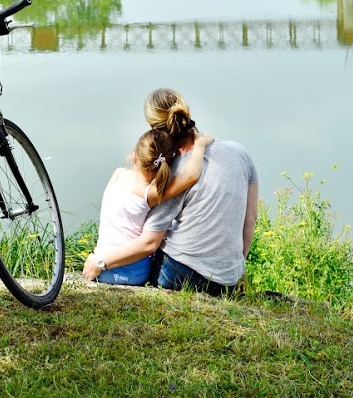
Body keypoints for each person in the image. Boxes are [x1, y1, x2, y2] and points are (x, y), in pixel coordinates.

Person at [83, 88, 258, 295]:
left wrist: (101, 262)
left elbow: (150, 242)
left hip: (180, 275)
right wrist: (235, 271)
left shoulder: (172, 173)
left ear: (155, 128)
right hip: (227, 280)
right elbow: (251, 216)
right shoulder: (239, 152)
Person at [87, 127, 214, 286]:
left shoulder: (118, 174)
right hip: (132, 274)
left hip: (104, 269)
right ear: (164, 167)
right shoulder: (149, 194)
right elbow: (191, 175)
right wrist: (200, 144)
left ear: (135, 156)